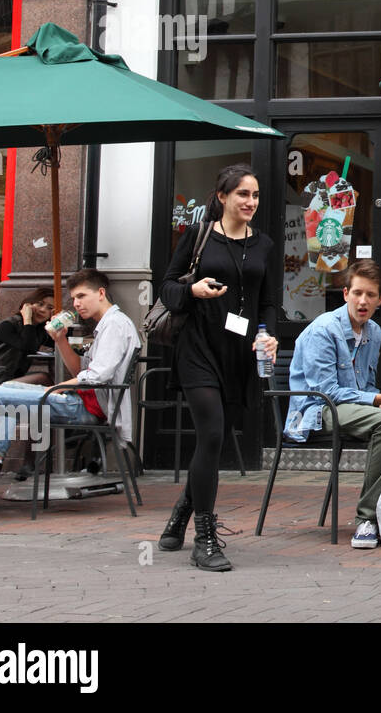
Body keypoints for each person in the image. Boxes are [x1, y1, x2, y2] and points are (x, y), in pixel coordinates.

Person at [159, 163, 278, 572]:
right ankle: (204, 538)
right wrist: (191, 290)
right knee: (210, 433)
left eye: (256, 195)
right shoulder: (198, 236)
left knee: (217, 440)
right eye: (243, 194)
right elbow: (168, 285)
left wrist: (268, 334)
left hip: (240, 353)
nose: (251, 202)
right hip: (198, 347)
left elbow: (267, 301)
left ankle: (180, 514)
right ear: (223, 196)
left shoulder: (263, 244)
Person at [285, 259, 381, 549]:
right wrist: (377, 402)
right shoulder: (324, 330)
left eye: (370, 295)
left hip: (354, 405)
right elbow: (326, 391)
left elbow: (364, 387)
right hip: (317, 410)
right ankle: (368, 518)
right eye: (357, 293)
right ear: (345, 293)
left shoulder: (374, 332)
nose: (363, 301)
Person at [0, 269, 140, 492]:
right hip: (83, 402)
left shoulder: (115, 325)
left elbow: (97, 376)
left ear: (100, 293)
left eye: (81, 296)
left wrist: (57, 387)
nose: (76, 304)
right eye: (74, 298)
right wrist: (60, 340)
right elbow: (79, 369)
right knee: (4, 389)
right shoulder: (108, 324)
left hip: (85, 408)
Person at [0, 288, 56, 384]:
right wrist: (27, 319)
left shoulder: (38, 330)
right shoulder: (8, 325)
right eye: (40, 304)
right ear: (27, 305)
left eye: (49, 308)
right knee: (43, 379)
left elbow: (59, 343)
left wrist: (58, 322)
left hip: (11, 380)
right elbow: (28, 347)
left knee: (49, 379)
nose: (43, 310)